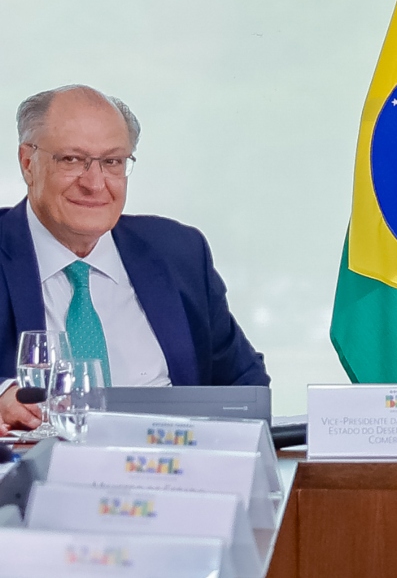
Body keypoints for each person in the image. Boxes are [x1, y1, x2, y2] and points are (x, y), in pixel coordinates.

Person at [0, 85, 269, 429]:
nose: (95, 183)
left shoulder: (179, 252)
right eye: (72, 160)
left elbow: (245, 388)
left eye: (112, 162)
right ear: (28, 163)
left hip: (170, 468)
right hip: (38, 474)